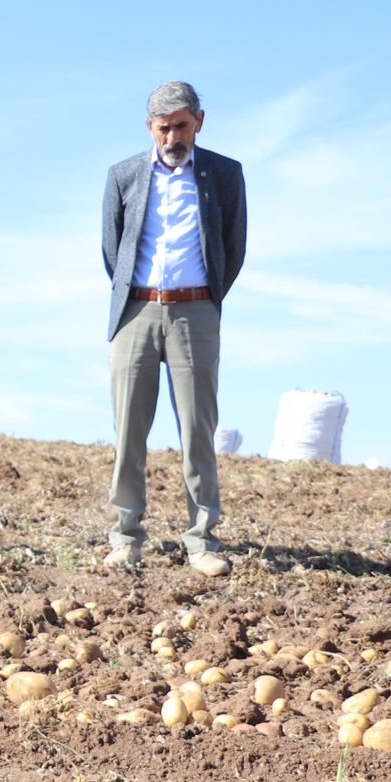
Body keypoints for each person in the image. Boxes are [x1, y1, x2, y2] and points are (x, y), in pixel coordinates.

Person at [101, 81, 247, 577]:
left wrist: (205, 300)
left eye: (181, 125)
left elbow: (234, 245)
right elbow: (111, 249)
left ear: (199, 122)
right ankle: (125, 537)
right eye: (163, 127)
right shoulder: (123, 176)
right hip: (135, 313)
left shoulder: (224, 175)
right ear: (150, 128)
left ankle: (202, 540)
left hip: (195, 313)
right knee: (128, 432)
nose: (172, 136)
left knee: (198, 430)